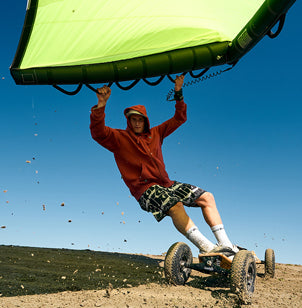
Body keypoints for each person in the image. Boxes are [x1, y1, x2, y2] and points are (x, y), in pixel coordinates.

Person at [90, 75, 238, 258]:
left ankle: (227, 246)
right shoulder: (119, 139)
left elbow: (179, 118)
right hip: (145, 189)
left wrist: (178, 92)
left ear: (145, 120)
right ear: (128, 121)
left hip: (167, 183)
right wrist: (101, 104)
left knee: (207, 197)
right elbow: (98, 133)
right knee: (175, 205)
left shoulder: (157, 133)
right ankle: (208, 248)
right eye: (133, 119)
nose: (136, 123)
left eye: (140, 119)